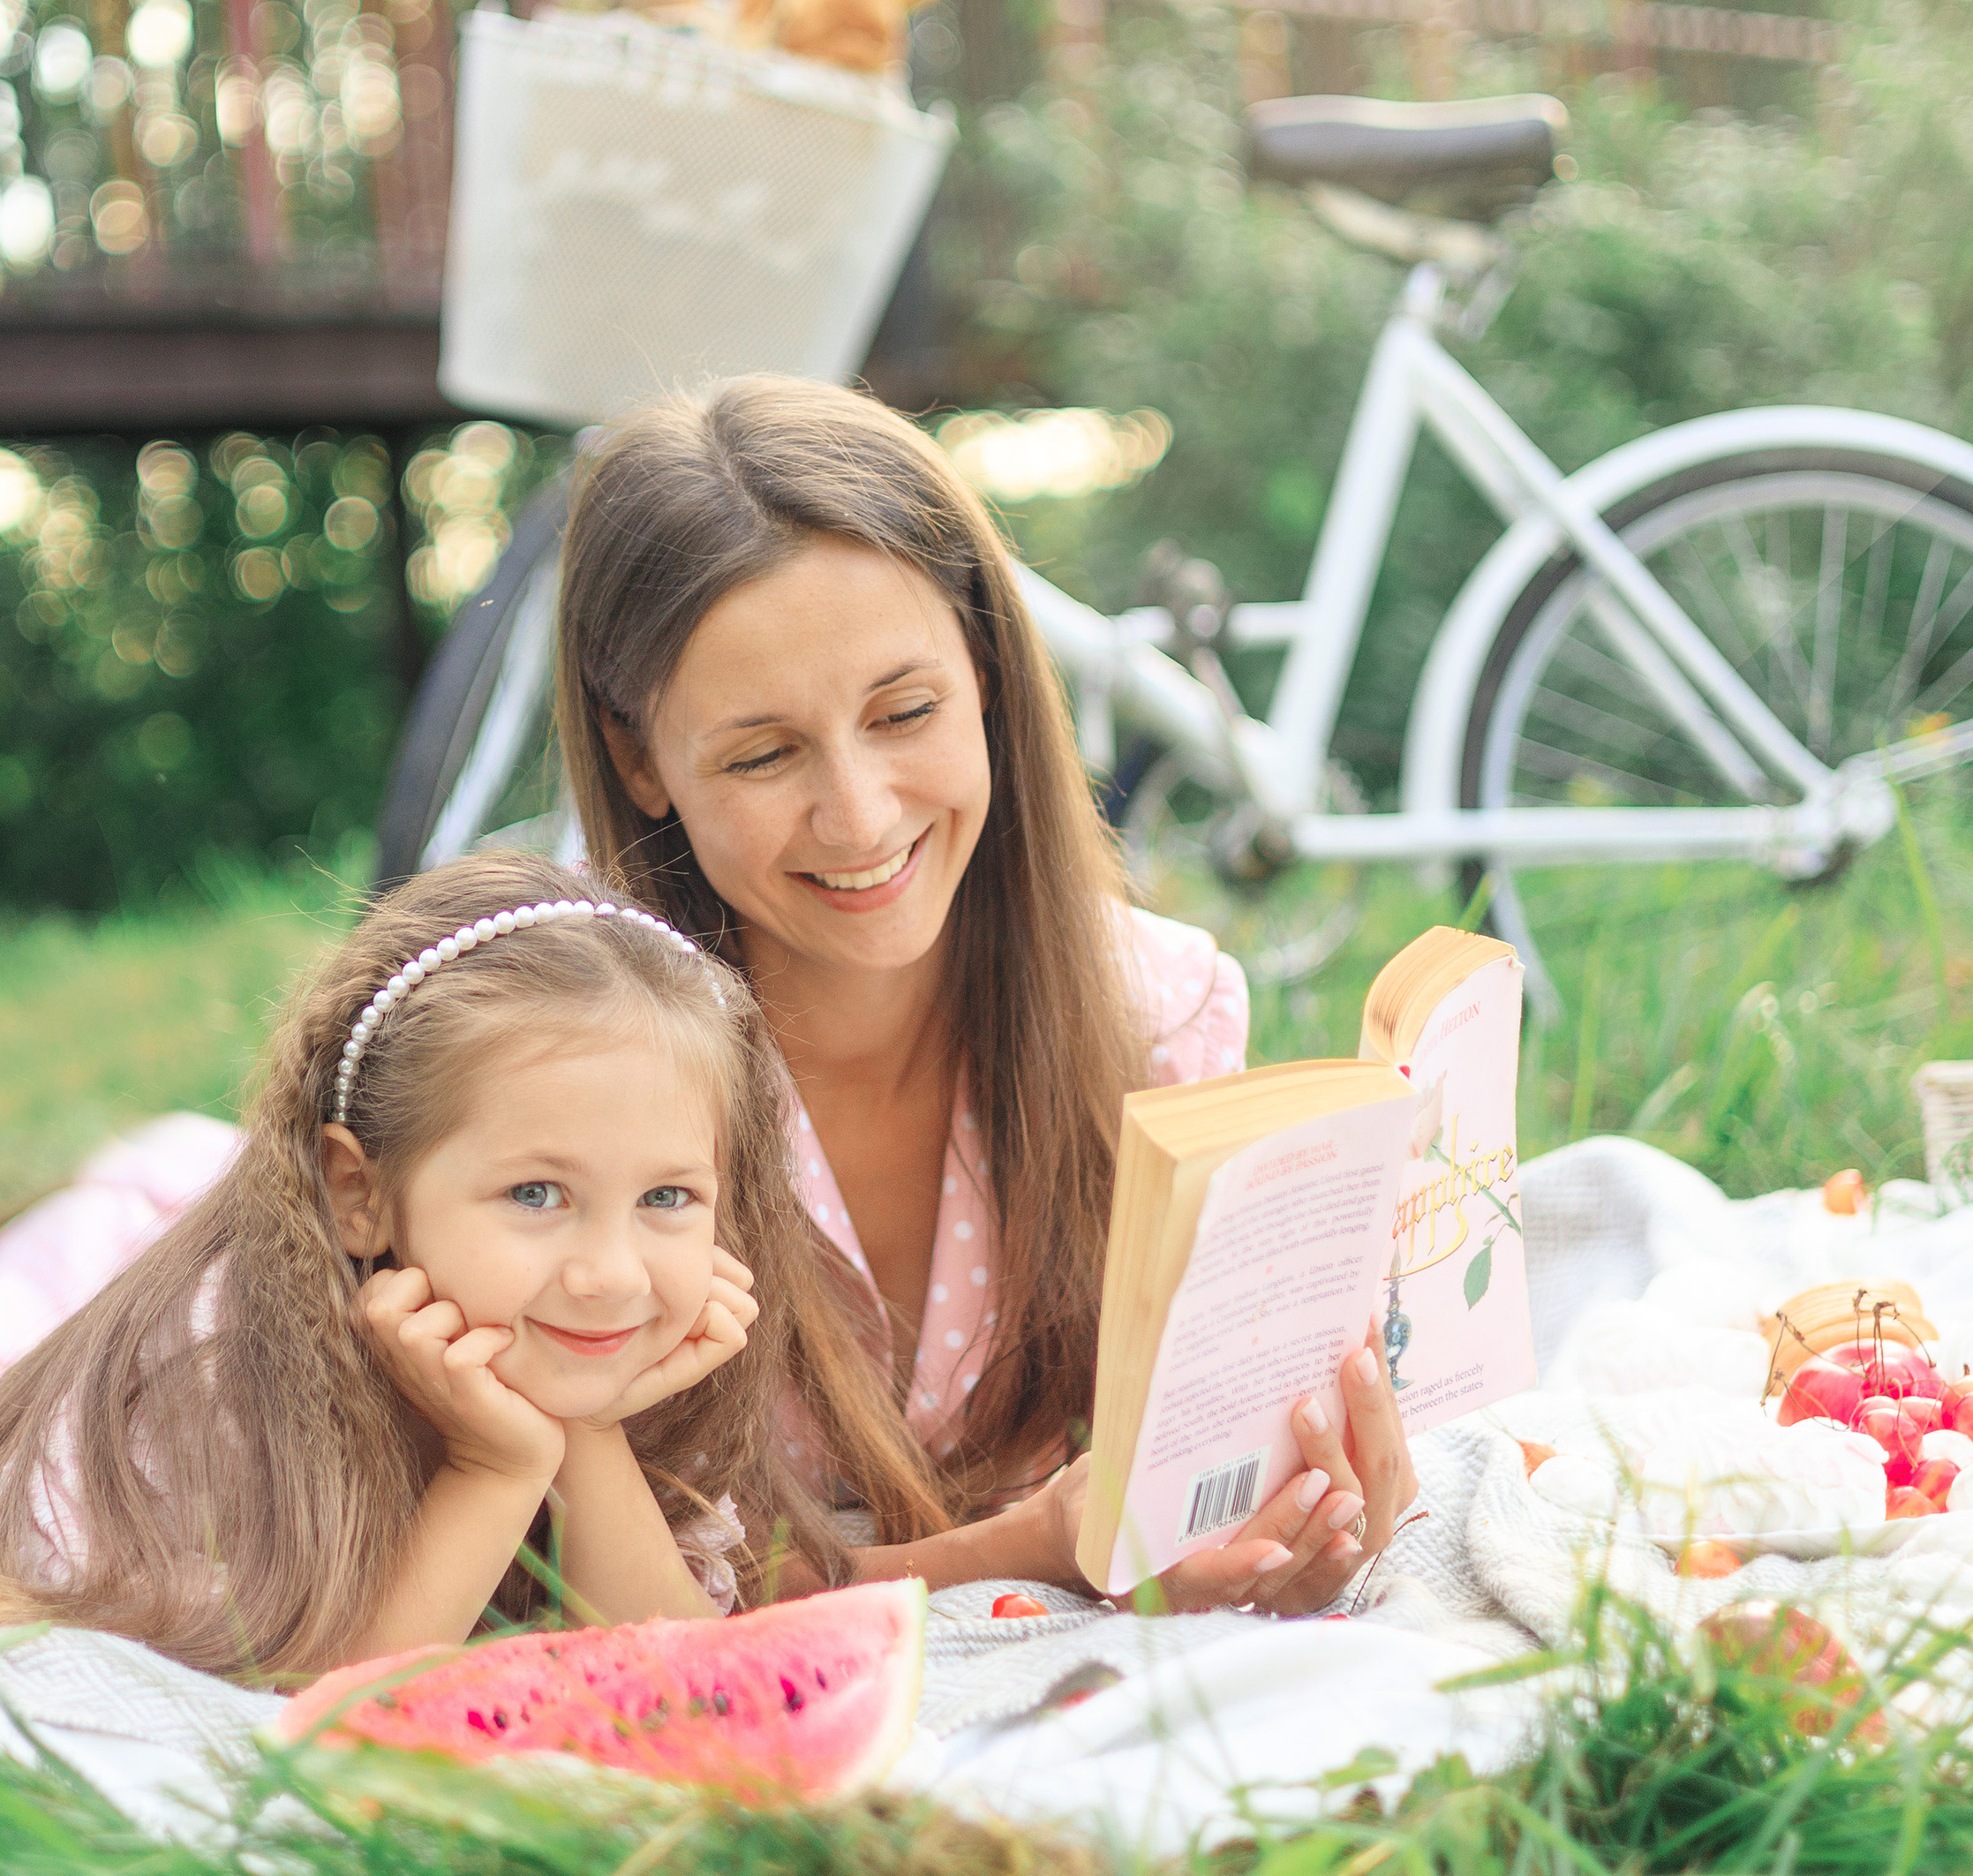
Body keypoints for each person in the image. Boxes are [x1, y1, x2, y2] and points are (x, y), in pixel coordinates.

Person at [553, 375, 1418, 1614]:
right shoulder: (561, 1073)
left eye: (905, 712)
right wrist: (1021, 1548)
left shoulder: (1159, 1018)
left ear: (991, 674)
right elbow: (589, 1583)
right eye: (762, 753)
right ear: (639, 758)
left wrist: (1308, 1496)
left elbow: (1198, 1461)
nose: (858, 815)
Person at [0, 854, 861, 1678]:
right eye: (534, 1195)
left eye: (666, 1199)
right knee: (94, 1226)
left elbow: (684, 1675)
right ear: (361, 1195)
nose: (611, 1276)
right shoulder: (217, 1392)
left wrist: (587, 1435)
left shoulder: (619, 1372)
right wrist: (498, 1466)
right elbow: (328, 1706)